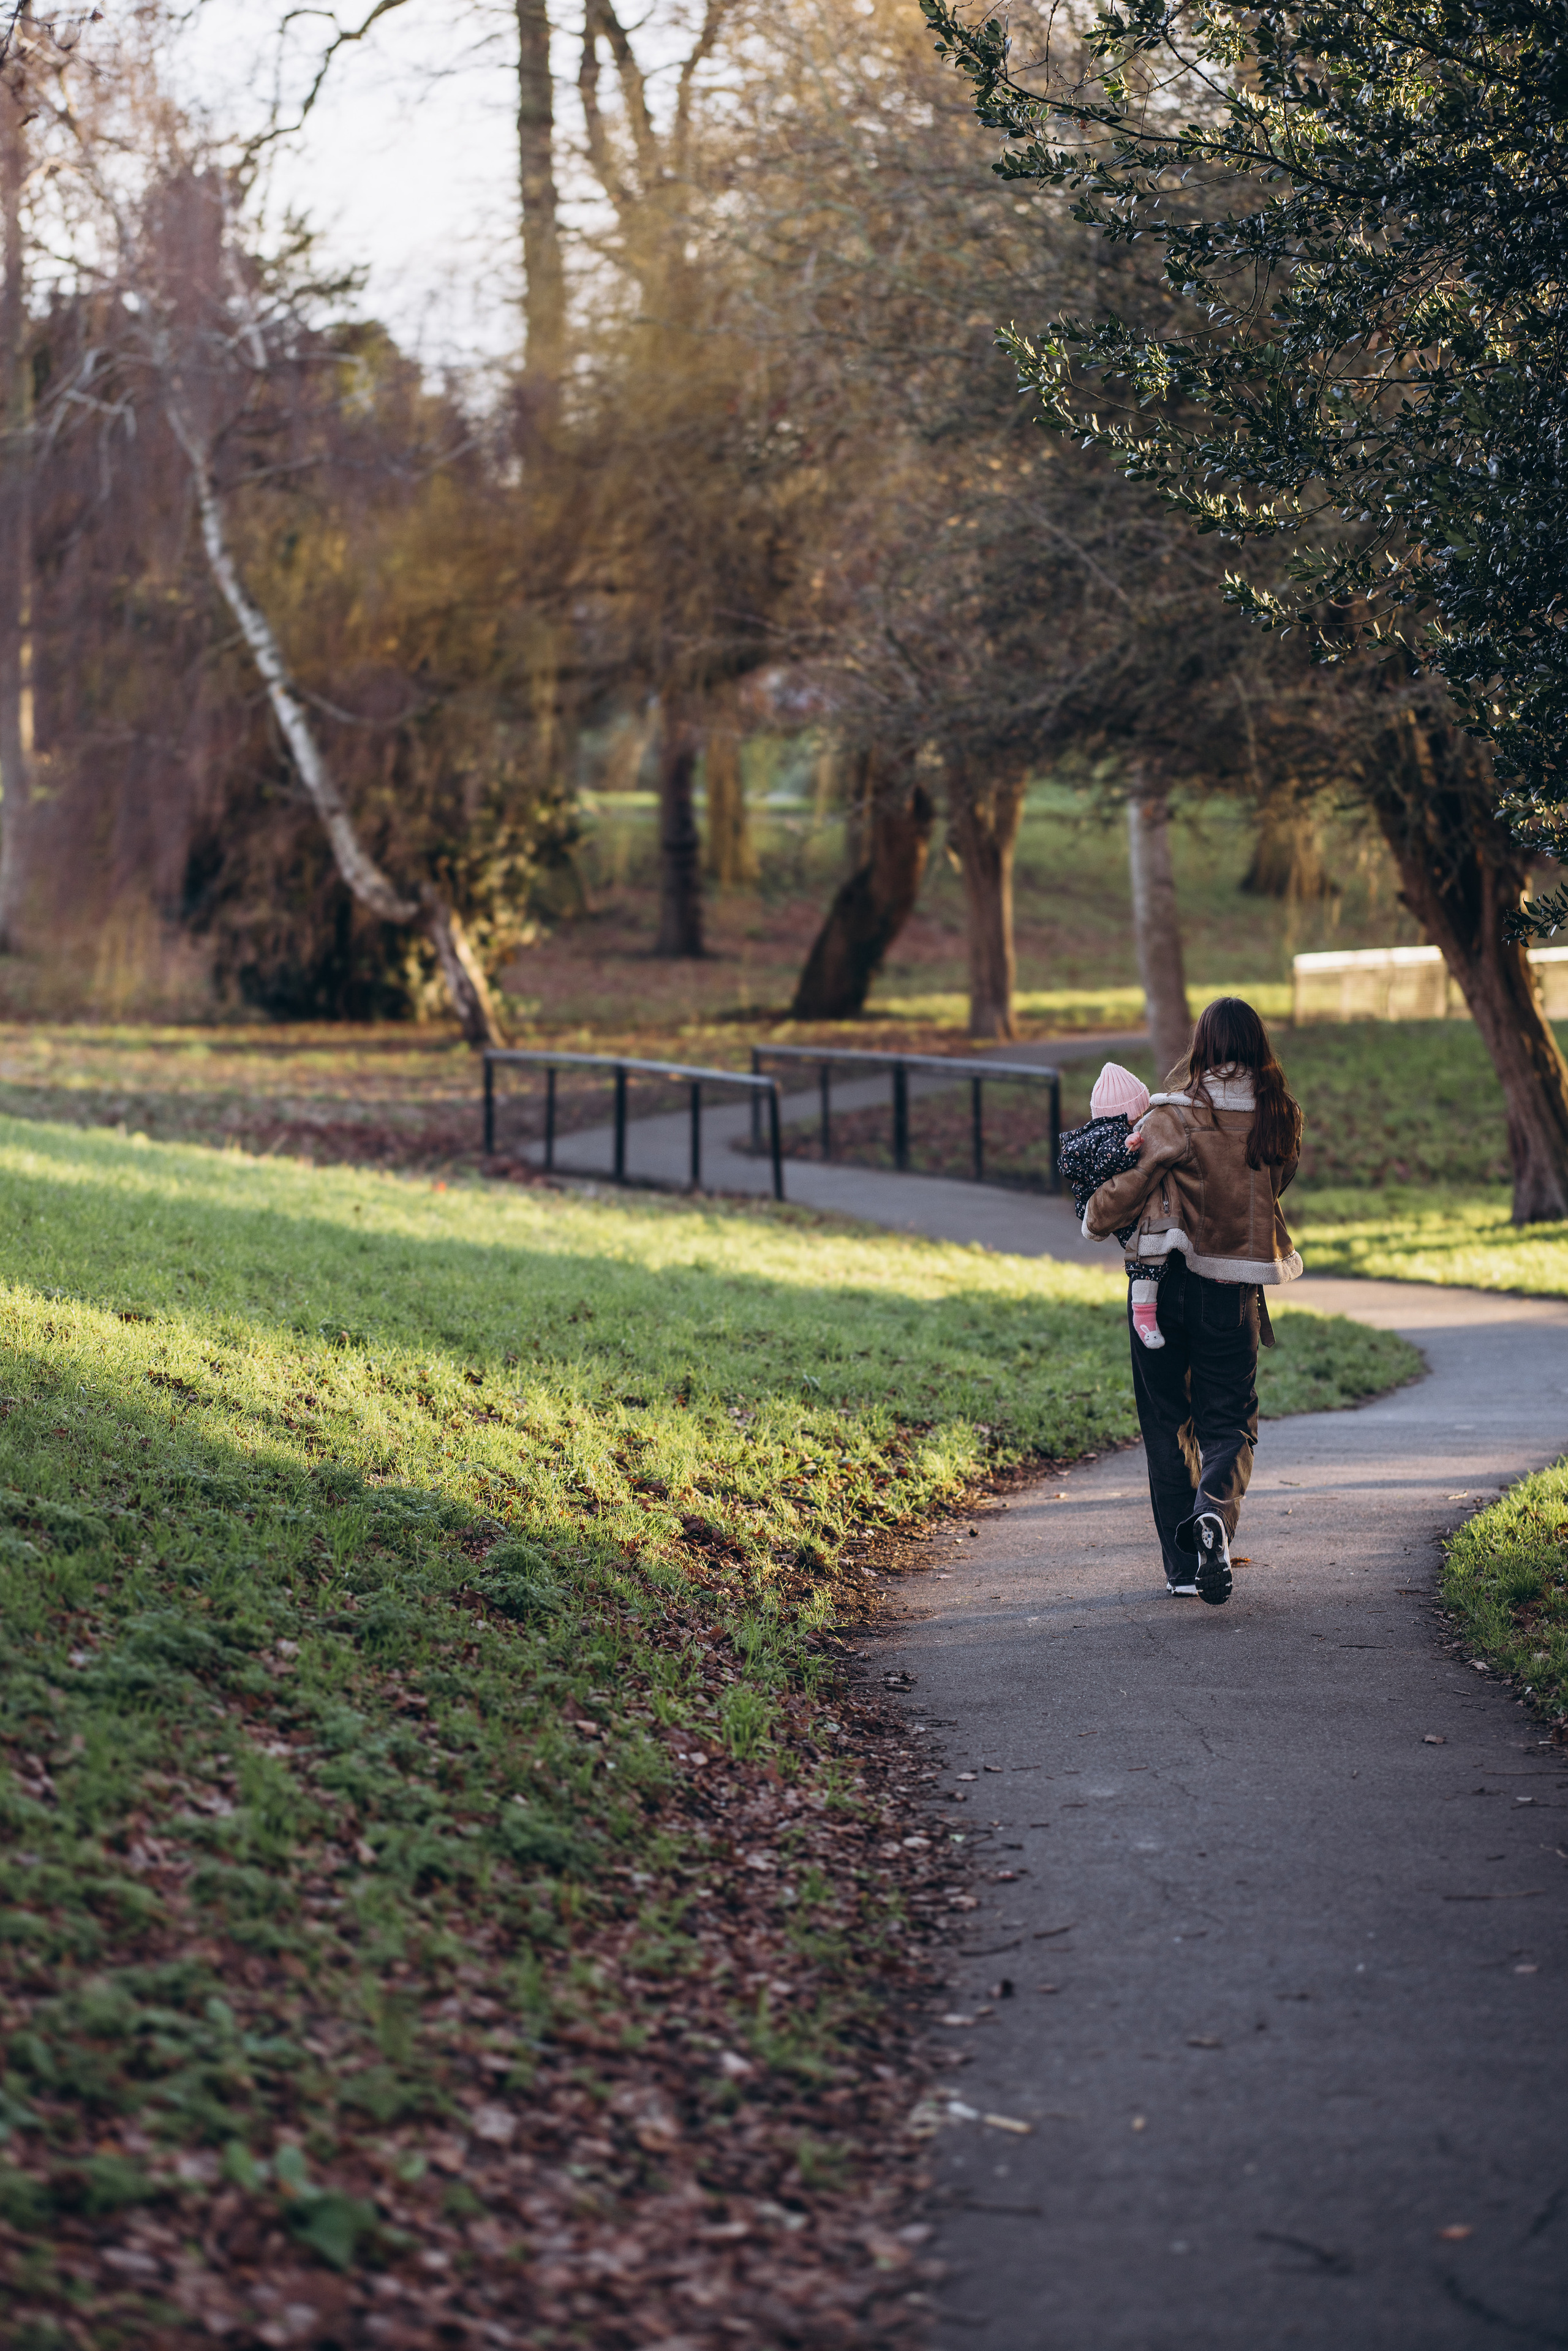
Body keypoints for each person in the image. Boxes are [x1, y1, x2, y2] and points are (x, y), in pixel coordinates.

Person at [1082, 998, 1304, 1607]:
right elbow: (1276, 1182)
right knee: (1229, 1422)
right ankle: (1212, 1515)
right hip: (1232, 1292)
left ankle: (1183, 1569)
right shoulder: (1279, 1117)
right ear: (1259, 1047)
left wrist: (1095, 1212)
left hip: (1164, 1284)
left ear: (1201, 1047)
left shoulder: (1172, 1115)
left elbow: (1127, 1188)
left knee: (1164, 1422)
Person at [1058, 1062, 1169, 1349]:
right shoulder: (1111, 1136)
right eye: (1141, 1113)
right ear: (1129, 1113)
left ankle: (1146, 1313)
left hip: (1091, 1203)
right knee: (1144, 1256)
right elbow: (1109, 1158)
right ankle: (1144, 1317)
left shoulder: (1097, 1132)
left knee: (1144, 1252)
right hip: (1096, 1206)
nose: (1143, 1118)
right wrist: (1127, 1147)